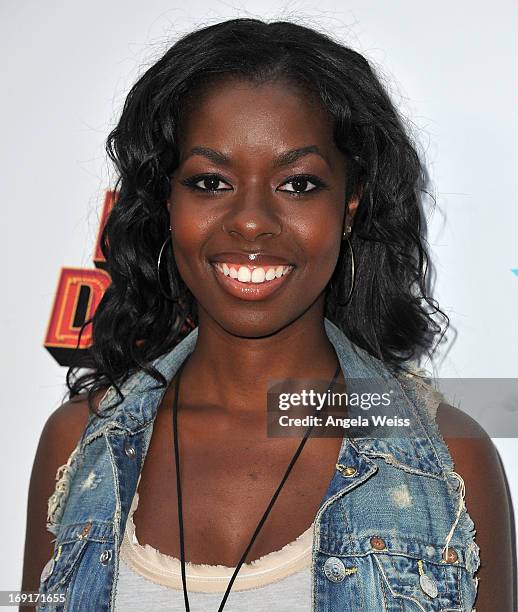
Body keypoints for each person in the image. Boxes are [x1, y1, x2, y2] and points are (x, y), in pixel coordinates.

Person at [21, 18, 514, 611]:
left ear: (349, 205)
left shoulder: (448, 460)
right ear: (167, 201)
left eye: (298, 184)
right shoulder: (77, 448)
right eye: (210, 181)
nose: (251, 220)